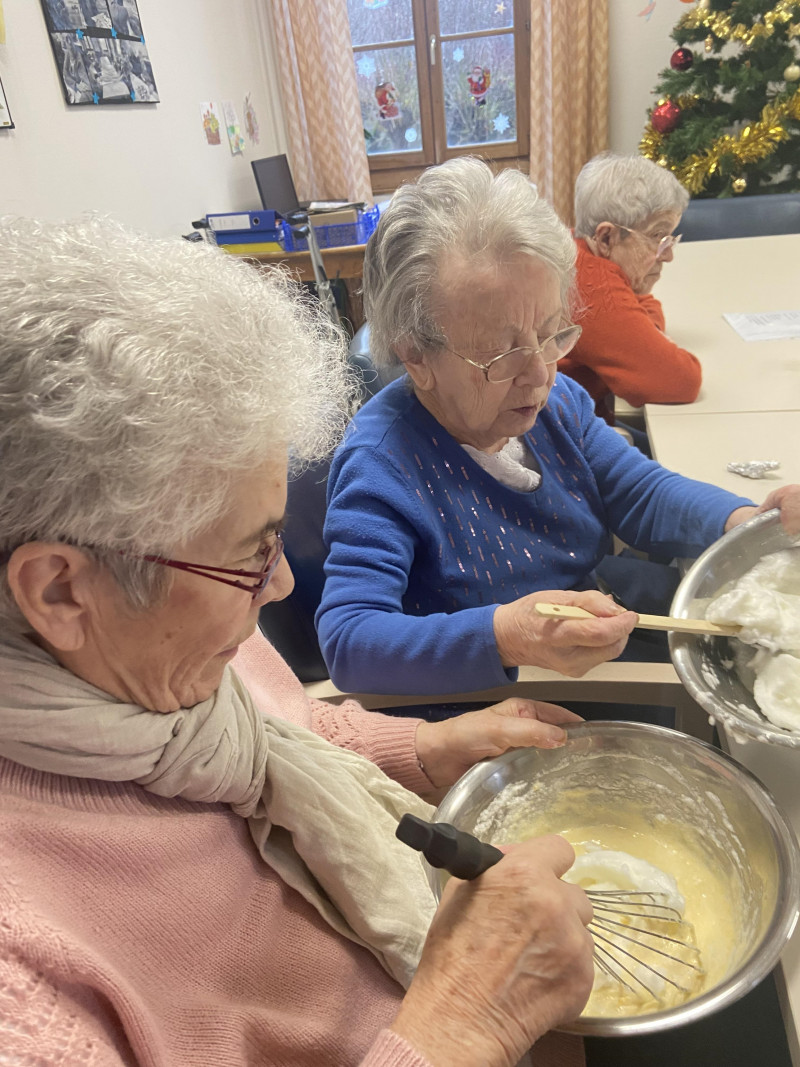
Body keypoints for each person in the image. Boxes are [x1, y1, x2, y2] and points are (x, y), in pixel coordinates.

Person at [0, 217, 595, 1067]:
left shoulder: (165, 636)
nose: (280, 585)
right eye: (253, 555)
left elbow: (286, 724)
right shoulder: (24, 983)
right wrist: (464, 1023)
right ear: (60, 589)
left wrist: (424, 744)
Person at [317, 157, 800, 699]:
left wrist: (750, 523)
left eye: (552, 335)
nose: (539, 374)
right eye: (500, 354)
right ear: (415, 356)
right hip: (491, 699)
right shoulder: (383, 465)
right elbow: (349, 639)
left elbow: (640, 494)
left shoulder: (555, 401)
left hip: (583, 615)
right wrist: (504, 636)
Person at [559, 152, 702, 430]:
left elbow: (645, 300)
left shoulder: (579, 251)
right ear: (607, 237)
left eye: (670, 238)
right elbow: (682, 380)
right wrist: (645, 335)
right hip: (563, 441)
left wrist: (641, 329)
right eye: (657, 238)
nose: (668, 256)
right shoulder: (593, 289)